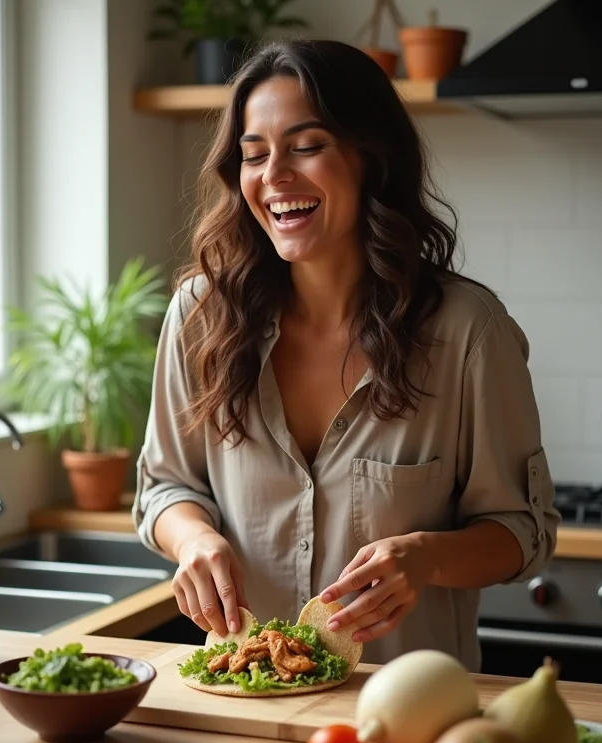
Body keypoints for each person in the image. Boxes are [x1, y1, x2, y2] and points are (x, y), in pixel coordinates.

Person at [132, 38, 560, 670]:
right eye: (254, 155)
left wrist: (427, 558)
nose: (274, 175)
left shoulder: (470, 333)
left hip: (407, 713)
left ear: (372, 159)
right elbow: (165, 486)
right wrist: (193, 537)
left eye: (307, 147)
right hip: (247, 704)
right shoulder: (201, 317)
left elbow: (523, 528)